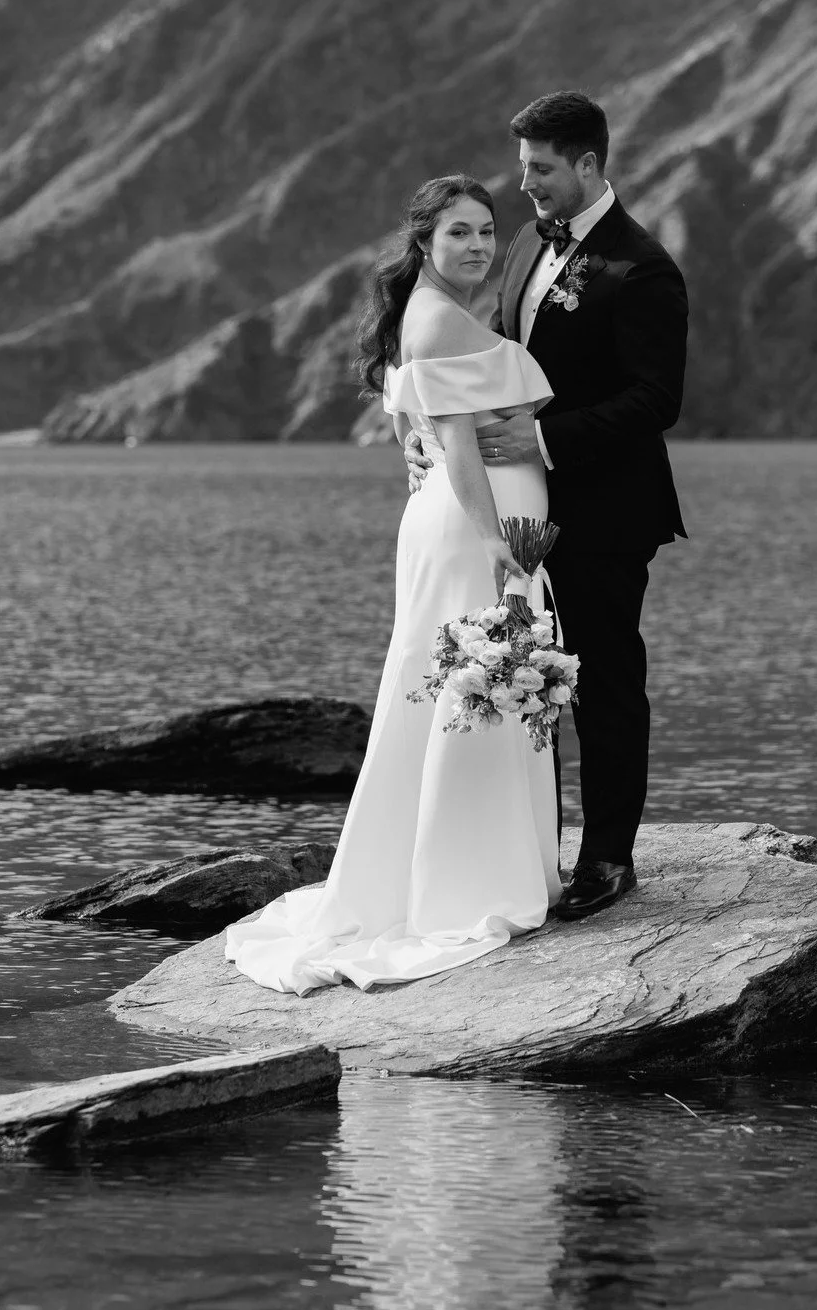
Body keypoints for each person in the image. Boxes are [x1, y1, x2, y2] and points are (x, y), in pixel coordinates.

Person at [224, 175, 562, 994]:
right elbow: (459, 446)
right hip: (473, 529)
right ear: (424, 242)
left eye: (486, 230)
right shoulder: (441, 319)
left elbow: (415, 415)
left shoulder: (433, 311)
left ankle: (452, 866)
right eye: (458, 233)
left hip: (463, 520)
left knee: (456, 686)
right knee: (468, 684)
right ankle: (463, 881)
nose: (478, 246)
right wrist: (498, 549)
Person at [407, 91, 688, 919]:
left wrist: (546, 442)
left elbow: (656, 400)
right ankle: (533, 853)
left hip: (603, 509)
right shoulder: (529, 243)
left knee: (603, 679)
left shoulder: (643, 268)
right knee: (523, 677)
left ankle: (608, 859)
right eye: (523, 165)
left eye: (540, 168)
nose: (523, 185)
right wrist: (429, 430)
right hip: (514, 513)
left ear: (589, 164)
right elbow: (483, 367)